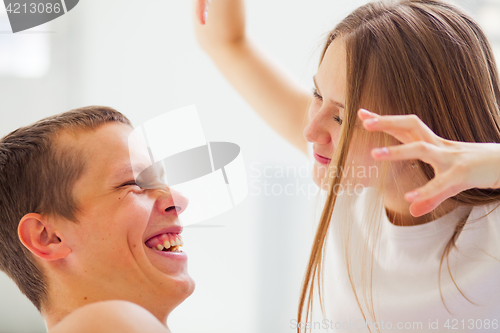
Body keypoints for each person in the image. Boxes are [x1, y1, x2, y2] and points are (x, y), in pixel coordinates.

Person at [194, 0, 500, 331]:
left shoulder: (490, 230)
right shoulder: (351, 184)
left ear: (420, 129)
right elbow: (226, 42)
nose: (311, 131)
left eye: (340, 116)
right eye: (316, 94)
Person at [0, 106, 194, 332]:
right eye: (132, 183)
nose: (179, 199)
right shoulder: (110, 321)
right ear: (47, 236)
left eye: (160, 180)